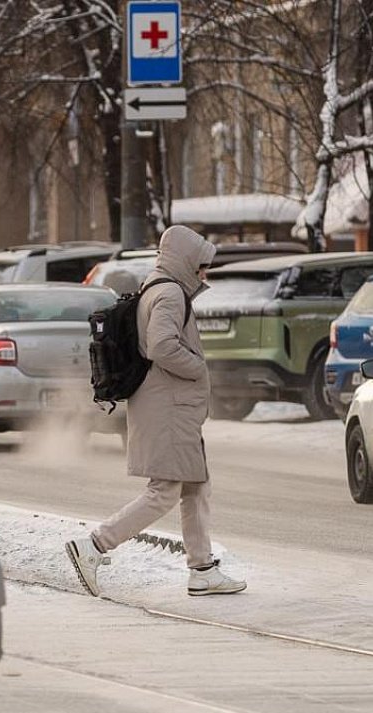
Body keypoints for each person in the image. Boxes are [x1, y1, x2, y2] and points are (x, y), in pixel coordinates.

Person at [66, 225, 247, 597]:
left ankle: (202, 569)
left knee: (196, 486)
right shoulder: (168, 293)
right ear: (184, 260)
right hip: (169, 408)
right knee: (164, 490)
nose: (204, 274)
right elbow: (161, 346)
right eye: (200, 266)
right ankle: (95, 546)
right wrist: (198, 367)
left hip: (172, 407)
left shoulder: (161, 288)